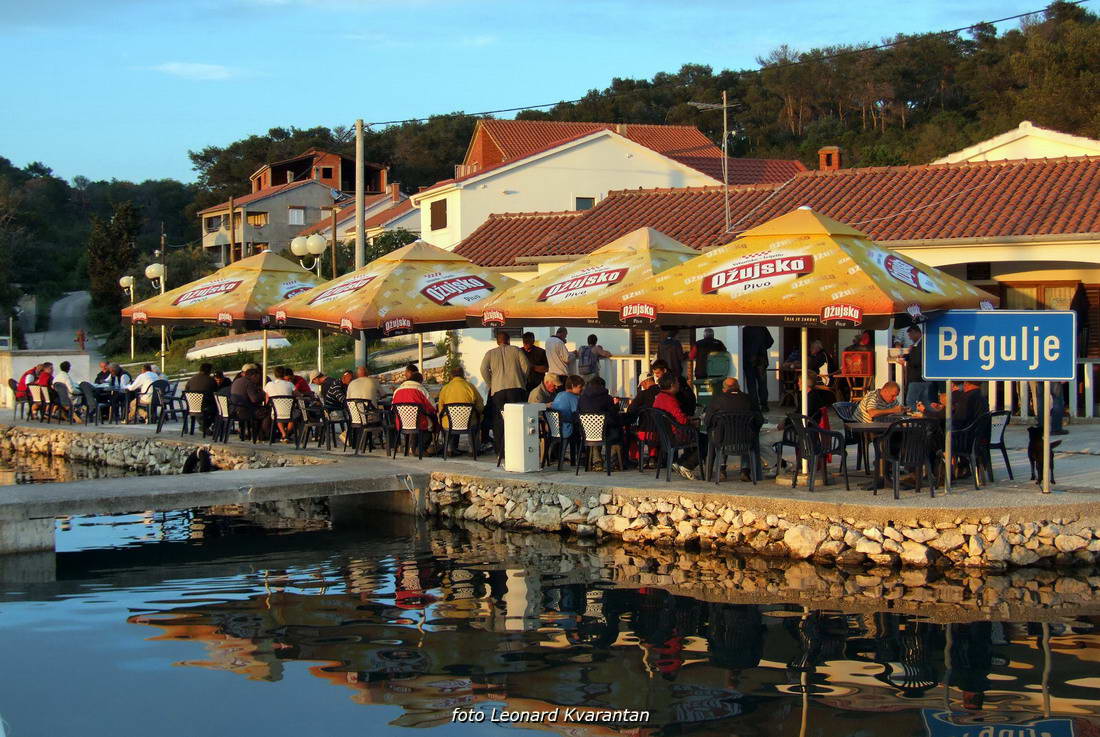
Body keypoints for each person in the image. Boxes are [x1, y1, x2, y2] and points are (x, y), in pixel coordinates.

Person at [480, 330, 530, 455]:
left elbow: (483, 369)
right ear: (509, 340)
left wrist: (491, 384)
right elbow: (526, 366)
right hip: (516, 388)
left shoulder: (490, 353)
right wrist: (522, 379)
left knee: (499, 420)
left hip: (498, 391)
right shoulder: (516, 350)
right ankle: (517, 449)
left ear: (497, 341)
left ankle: (500, 450)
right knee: (517, 419)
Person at [652, 374, 701, 480]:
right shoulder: (669, 400)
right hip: (676, 435)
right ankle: (687, 466)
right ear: (672, 385)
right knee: (705, 440)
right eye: (677, 383)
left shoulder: (659, 397)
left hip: (665, 436)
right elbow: (681, 420)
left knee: (697, 436)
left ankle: (681, 463)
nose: (679, 385)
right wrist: (692, 422)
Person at [436, 366, 484, 455]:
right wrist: (477, 413)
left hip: (449, 423)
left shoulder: (445, 388)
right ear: (463, 375)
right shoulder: (470, 387)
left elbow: (441, 407)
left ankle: (449, 449)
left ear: (451, 376)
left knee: (445, 421)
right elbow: (480, 405)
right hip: (468, 422)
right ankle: (473, 449)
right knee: (479, 419)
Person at [392, 370, 438, 452]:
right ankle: (420, 449)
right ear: (420, 381)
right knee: (431, 424)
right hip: (419, 423)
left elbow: (393, 408)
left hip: (401, 423)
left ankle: (411, 447)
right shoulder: (421, 390)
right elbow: (432, 407)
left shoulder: (397, 391)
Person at [742, 326, 774, 410]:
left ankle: (754, 406)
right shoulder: (762, 328)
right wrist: (762, 348)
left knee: (751, 384)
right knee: (762, 383)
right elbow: (770, 341)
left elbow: (740, 344)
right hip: (761, 360)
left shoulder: (744, 330)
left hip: (748, 360)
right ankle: (764, 405)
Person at [230, 366, 268, 438]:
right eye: (258, 377)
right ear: (254, 376)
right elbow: (254, 399)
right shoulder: (249, 383)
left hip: (234, 410)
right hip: (244, 412)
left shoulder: (236, 381)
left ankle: (251, 432)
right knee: (268, 412)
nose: (258, 380)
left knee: (259, 410)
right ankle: (262, 434)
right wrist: (263, 394)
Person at [263, 367, 298, 441]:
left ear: (274, 375)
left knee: (278, 414)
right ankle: (287, 434)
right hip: (289, 413)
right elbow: (298, 395)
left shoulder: (269, 384)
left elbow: (267, 400)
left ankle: (284, 434)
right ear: (284, 374)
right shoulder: (290, 384)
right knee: (296, 414)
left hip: (275, 413)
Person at [902, 326, 932, 410]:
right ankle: (928, 417)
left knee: (911, 400)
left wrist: (905, 363)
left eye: (911, 334)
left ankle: (914, 419)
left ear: (916, 332)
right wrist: (906, 356)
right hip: (921, 378)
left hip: (917, 378)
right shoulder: (919, 344)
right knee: (925, 401)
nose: (909, 337)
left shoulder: (921, 344)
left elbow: (917, 361)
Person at [184, 363, 218, 433]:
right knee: (218, 408)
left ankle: (204, 426)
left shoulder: (191, 379)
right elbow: (216, 392)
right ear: (209, 371)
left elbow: (186, 391)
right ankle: (206, 426)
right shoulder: (210, 380)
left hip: (192, 407)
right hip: (204, 407)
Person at [550, 375, 584, 439]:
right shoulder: (573, 397)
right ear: (573, 386)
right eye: (580, 387)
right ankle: (577, 449)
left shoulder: (559, 394)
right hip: (565, 429)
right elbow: (578, 414)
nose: (582, 389)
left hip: (554, 428)